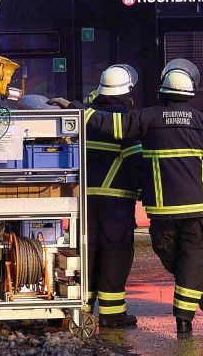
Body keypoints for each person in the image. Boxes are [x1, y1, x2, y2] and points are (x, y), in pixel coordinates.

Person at [54, 60, 203, 334]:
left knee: (89, 253)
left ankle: (84, 310)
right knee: (126, 255)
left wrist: (78, 110)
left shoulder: (146, 118)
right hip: (175, 208)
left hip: (94, 203)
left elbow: (111, 126)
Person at [82, 65, 144, 327]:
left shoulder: (87, 117)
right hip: (116, 201)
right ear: (127, 92)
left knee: (87, 252)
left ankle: (82, 308)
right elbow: (135, 164)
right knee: (115, 254)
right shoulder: (126, 123)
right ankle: (112, 313)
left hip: (83, 199)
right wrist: (143, 192)